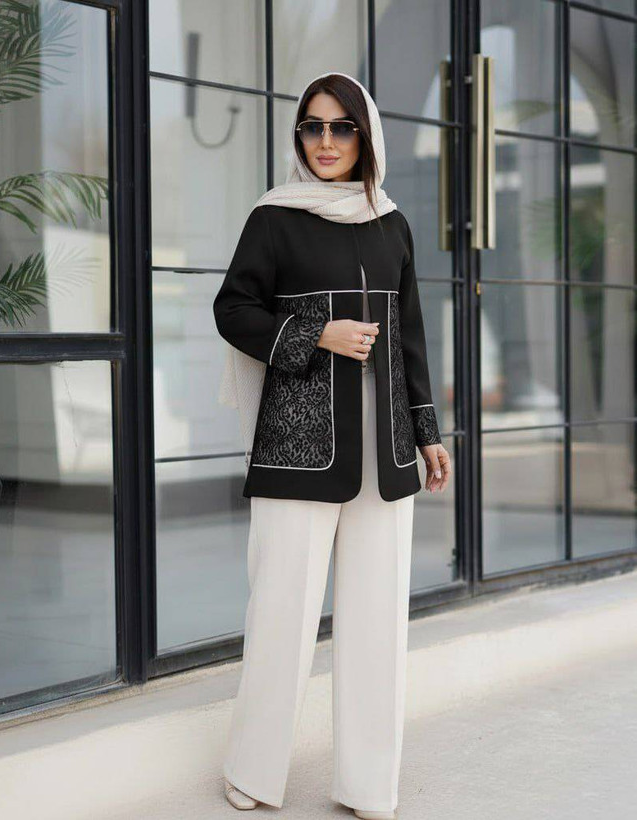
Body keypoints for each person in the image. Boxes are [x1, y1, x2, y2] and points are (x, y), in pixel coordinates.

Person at [213, 71, 452, 820]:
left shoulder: (391, 223)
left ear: (365, 135)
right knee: (280, 617)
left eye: (340, 127)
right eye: (312, 127)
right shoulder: (274, 217)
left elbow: (409, 336)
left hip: (385, 452)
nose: (325, 141)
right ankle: (253, 772)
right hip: (298, 449)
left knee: (378, 627)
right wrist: (316, 334)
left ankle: (368, 785)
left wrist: (427, 431)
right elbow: (233, 309)